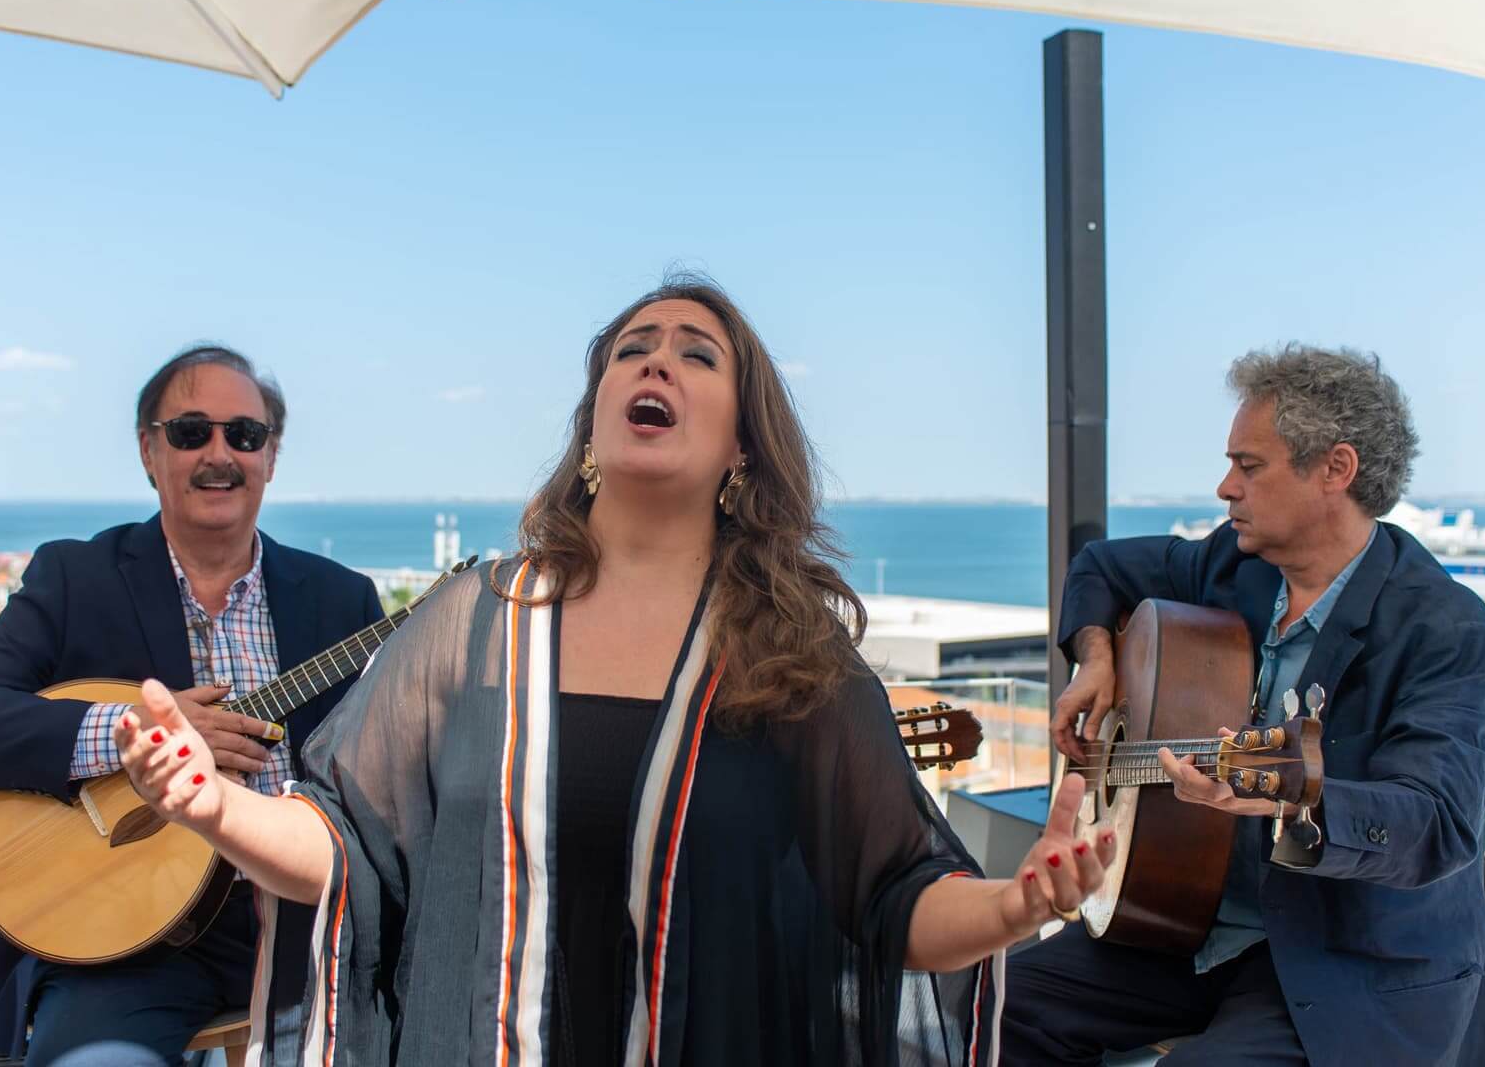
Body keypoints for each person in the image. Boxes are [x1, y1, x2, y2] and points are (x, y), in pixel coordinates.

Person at [116, 276, 1116, 1066]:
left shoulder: (791, 653)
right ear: (596, 421)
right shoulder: (472, 621)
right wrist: (211, 808)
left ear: (741, 447)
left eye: (697, 354)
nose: (659, 363)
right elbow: (345, 846)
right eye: (634, 350)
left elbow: (896, 898)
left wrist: (1020, 904)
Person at [1000, 345, 1485, 1065]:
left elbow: (1438, 824)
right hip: (1186, 926)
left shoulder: (1442, 627)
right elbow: (1099, 567)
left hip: (1345, 961)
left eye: (1249, 466)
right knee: (990, 1004)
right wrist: (1097, 656)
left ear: (1336, 469)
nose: (1225, 488)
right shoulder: (1234, 566)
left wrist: (1294, 802)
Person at [0, 346, 384, 1065]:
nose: (219, 454)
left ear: (271, 457)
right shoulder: (75, 578)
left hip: (311, 926)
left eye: (243, 436)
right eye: (191, 432)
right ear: (149, 451)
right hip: (129, 946)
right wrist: (127, 738)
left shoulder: (344, 600)